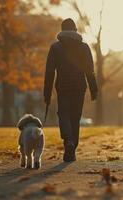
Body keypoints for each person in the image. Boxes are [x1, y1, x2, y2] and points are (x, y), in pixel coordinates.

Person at [44, 18, 98, 162]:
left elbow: (49, 72)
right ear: (75, 30)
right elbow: (89, 70)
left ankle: (68, 141)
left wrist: (47, 93)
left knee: (63, 114)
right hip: (79, 87)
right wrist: (94, 89)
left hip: (62, 87)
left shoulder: (55, 48)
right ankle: (72, 148)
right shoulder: (84, 47)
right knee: (75, 117)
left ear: (61, 31)